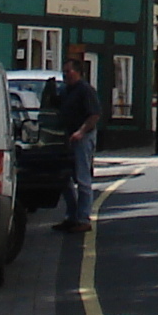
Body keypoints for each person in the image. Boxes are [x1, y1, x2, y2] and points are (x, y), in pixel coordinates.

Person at [54, 51, 102, 234]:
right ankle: (72, 216)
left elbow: (94, 115)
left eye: (68, 71)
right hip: (67, 137)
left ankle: (83, 219)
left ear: (78, 72)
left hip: (82, 138)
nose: (65, 74)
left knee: (82, 179)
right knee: (65, 178)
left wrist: (81, 132)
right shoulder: (66, 91)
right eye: (63, 71)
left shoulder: (85, 90)